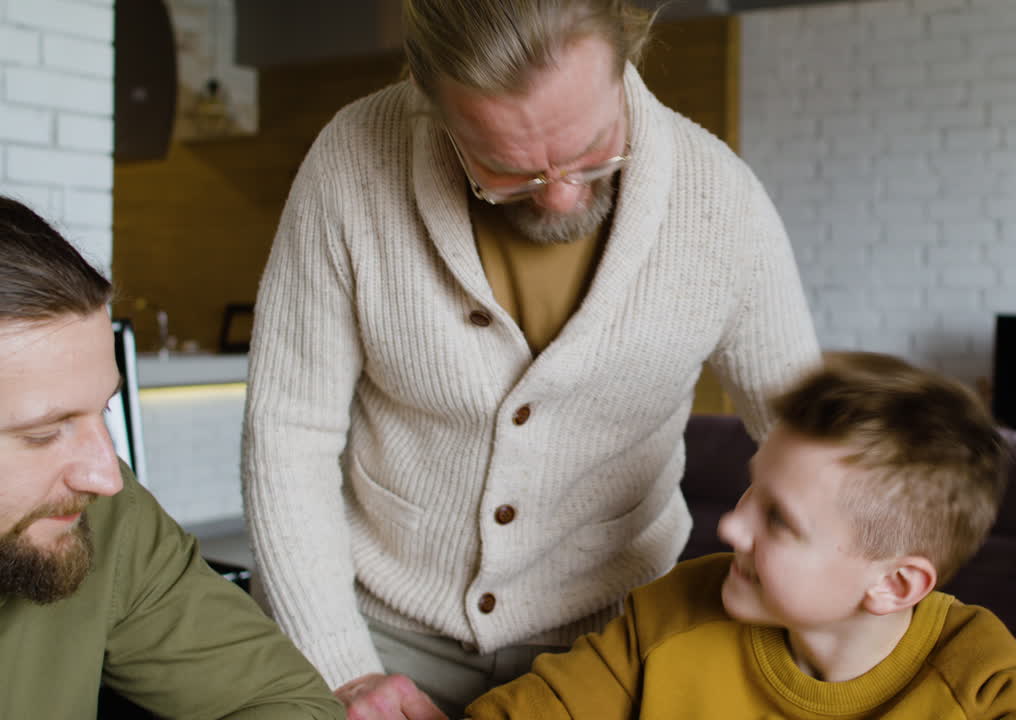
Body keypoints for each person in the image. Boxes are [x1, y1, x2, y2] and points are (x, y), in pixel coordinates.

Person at [242, 0, 820, 717]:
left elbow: (813, 434)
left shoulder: (723, 203)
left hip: (613, 642)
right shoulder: (352, 162)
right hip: (374, 628)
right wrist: (338, 663)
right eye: (507, 170)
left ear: (627, 58)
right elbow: (288, 432)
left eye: (592, 150)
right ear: (431, 103)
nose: (562, 197)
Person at [464, 352, 1016, 719]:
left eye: (779, 520)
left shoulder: (988, 688)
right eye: (752, 489)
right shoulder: (672, 614)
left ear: (894, 582)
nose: (729, 525)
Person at [0, 196, 345, 719]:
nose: (107, 477)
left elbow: (289, 704)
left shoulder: (103, 521)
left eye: (105, 408)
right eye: (46, 433)